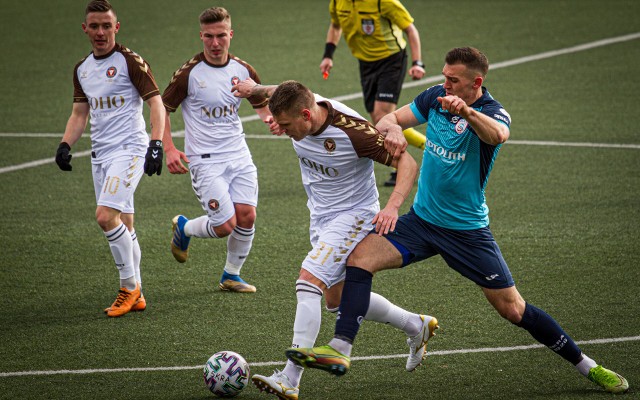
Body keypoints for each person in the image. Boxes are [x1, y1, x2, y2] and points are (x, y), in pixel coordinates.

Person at [287, 47, 630, 394]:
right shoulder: (436, 96)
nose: (445, 83)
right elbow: (390, 119)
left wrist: (467, 111)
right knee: (359, 259)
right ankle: (341, 348)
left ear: (475, 82)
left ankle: (589, 366)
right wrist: (390, 130)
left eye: (453, 80)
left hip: (466, 233)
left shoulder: (493, 113)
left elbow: (497, 135)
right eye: (444, 76)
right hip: (421, 222)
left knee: (513, 309)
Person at [231, 79, 436, 399]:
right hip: (321, 217)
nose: (281, 130)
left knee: (308, 281)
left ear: (305, 114)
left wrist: (393, 207)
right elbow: (271, 91)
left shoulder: (354, 133)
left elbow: (407, 163)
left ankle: (289, 378)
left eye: (286, 125)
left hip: (354, 216)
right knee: (336, 300)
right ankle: (415, 325)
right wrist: (252, 89)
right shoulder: (298, 103)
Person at [55, 0, 165, 318]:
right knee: (124, 223)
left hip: (130, 150)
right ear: (85, 29)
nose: (101, 32)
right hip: (100, 155)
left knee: (105, 217)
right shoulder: (83, 69)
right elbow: (79, 113)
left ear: (116, 27)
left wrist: (155, 144)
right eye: (95, 26)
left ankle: (128, 287)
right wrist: (65, 143)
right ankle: (138, 292)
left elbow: (156, 104)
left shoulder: (130, 62)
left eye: (107, 25)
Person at [161, 7, 278, 293]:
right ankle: (185, 228)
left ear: (231, 34)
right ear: (201, 36)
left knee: (247, 216)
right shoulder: (188, 74)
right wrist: (169, 149)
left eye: (221, 36)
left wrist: (270, 120)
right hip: (205, 161)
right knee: (225, 225)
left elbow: (260, 101)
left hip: (239, 155)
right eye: (209, 37)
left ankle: (231, 275)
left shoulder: (243, 70)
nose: (215, 43)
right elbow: (161, 109)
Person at [320, 0, 427, 187]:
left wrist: (418, 62)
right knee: (381, 122)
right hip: (365, 63)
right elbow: (335, 26)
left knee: (382, 116)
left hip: (391, 59)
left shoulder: (383, 2)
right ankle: (410, 156)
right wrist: (328, 55)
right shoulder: (338, 2)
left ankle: (416, 156)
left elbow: (410, 29)